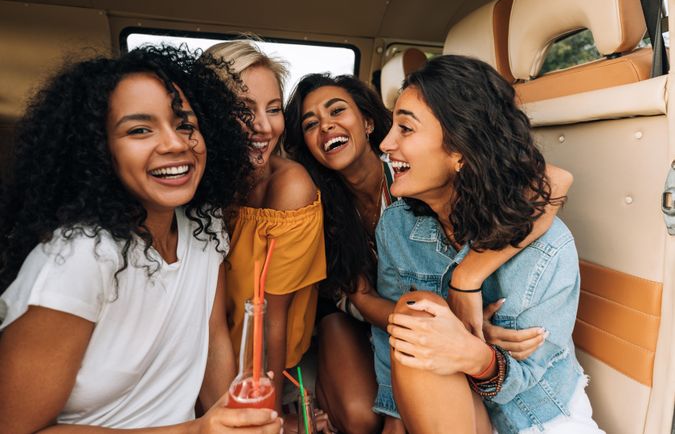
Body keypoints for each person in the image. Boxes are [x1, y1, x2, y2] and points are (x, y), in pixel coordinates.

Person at [0, 45, 281, 433]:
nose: (175, 144)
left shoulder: (205, 225)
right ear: (99, 150)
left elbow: (212, 336)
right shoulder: (79, 258)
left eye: (185, 124)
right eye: (139, 130)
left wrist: (237, 418)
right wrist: (194, 431)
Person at [284, 74, 572, 434]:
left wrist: (465, 289)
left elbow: (553, 182)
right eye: (310, 124)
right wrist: (450, 325)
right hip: (364, 313)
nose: (325, 126)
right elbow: (370, 301)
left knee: (421, 318)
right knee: (377, 388)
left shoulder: (410, 174)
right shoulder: (343, 208)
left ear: (368, 122)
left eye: (336, 111)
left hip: (515, 400)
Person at [379, 55, 603, 433]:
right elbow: (396, 343)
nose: (386, 144)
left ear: (460, 151)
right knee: (417, 313)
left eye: (405, 129)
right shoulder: (396, 227)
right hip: (442, 409)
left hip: (534, 415)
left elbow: (529, 377)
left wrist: (475, 355)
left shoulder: (547, 246)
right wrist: (393, 419)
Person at [203, 41, 327, 422]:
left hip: (265, 362)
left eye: (274, 110)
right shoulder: (196, 180)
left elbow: (271, 321)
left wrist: (265, 414)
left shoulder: (290, 187)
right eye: (243, 110)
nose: (264, 126)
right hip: (203, 351)